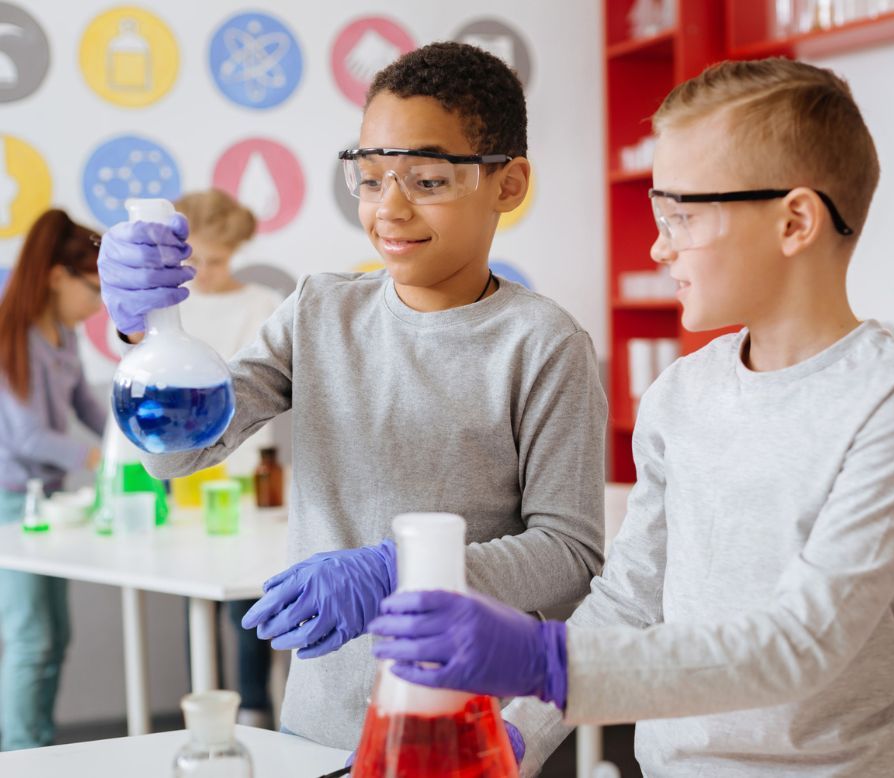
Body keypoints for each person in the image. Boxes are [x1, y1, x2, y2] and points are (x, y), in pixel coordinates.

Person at [368, 58, 894, 777]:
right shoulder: (682, 393)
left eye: (683, 216)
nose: (658, 244)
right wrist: (515, 738)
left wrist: (544, 658)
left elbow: (802, 642)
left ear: (795, 219)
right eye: (657, 212)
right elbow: (632, 598)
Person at [96, 41, 608, 750]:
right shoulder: (318, 312)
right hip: (318, 727)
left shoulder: (543, 345)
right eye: (370, 178)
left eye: (427, 179)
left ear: (508, 183)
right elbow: (179, 454)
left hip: (467, 731)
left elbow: (569, 554)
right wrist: (144, 335)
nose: (389, 208)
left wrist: (406, 572)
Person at [174, 189, 283, 728]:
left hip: (243, 471)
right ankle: (205, 712)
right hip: (184, 475)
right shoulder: (171, 308)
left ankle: (253, 709)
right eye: (195, 259)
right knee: (194, 592)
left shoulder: (260, 305)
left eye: (217, 261)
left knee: (246, 595)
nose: (207, 272)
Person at [0, 209, 108, 750]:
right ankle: (20, 753)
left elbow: (89, 407)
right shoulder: (12, 335)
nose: (100, 304)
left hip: (41, 502)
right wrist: (99, 461)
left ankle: (34, 744)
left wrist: (130, 439)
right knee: (30, 636)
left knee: (53, 635)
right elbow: (27, 438)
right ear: (57, 277)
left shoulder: (62, 336)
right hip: (9, 503)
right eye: (94, 288)